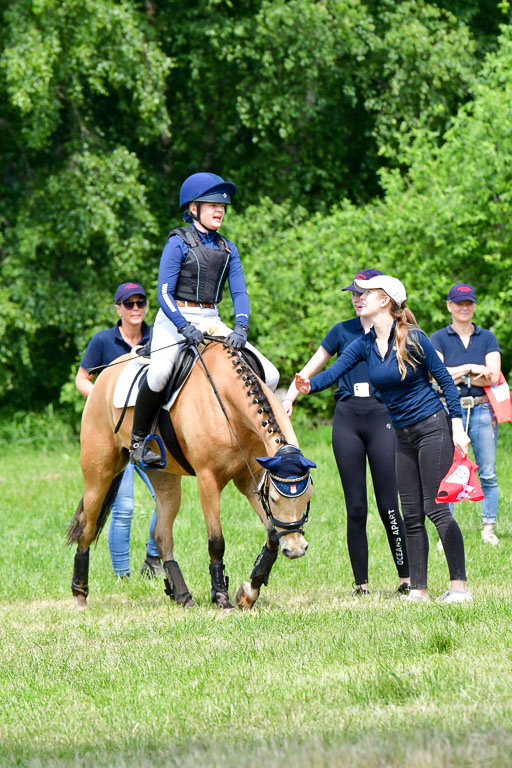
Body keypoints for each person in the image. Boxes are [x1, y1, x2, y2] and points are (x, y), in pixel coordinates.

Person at [294, 274, 473, 603]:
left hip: (432, 426)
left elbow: (446, 383)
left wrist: (457, 427)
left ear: (385, 301)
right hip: (402, 432)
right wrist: (307, 386)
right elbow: (334, 372)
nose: (360, 296)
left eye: (368, 292)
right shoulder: (364, 344)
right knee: (411, 513)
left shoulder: (414, 338)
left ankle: (460, 586)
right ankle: (418, 589)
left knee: (436, 509)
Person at [129, 172, 280, 467]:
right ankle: (138, 440)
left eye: (222, 206)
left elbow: (239, 292)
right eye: (212, 205)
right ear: (193, 209)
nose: (219, 210)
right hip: (175, 316)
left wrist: (241, 326)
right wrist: (183, 326)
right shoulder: (178, 242)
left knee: (271, 374)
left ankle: (249, 436)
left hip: (212, 317)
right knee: (160, 373)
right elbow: (163, 292)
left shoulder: (227, 248)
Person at [282, 268, 410, 596]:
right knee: (355, 506)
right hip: (348, 418)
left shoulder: (398, 332)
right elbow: (316, 368)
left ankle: (406, 580)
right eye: (352, 294)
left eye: (361, 293)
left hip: (383, 417)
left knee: (388, 504)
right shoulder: (342, 332)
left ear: (381, 298)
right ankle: (361, 585)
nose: (356, 299)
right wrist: (291, 396)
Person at [76, 282, 162, 578]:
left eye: (140, 303)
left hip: (152, 435)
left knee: (164, 500)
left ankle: (153, 559)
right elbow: (82, 379)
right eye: (129, 304)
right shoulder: (103, 341)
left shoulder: (158, 337)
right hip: (114, 433)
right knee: (123, 507)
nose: (135, 309)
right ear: (118, 309)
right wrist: (103, 403)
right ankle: (121, 575)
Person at [430, 283, 501, 545]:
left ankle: (488, 528)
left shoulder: (487, 338)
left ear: (474, 306)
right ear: (449, 306)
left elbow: (492, 376)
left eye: (469, 303)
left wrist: (455, 371)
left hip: (482, 408)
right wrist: (473, 368)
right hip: (449, 409)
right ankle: (446, 530)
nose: (464, 307)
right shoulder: (438, 338)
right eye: (459, 303)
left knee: (488, 471)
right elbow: (436, 375)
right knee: (448, 469)